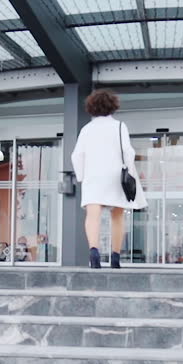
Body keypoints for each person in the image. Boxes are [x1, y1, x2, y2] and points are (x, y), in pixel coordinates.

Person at [71, 89, 148, 269]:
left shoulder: (86, 129)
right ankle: (115, 256)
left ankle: (94, 252)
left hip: (93, 175)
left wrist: (82, 176)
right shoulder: (120, 126)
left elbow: (77, 155)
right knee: (118, 216)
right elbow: (128, 152)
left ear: (91, 107)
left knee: (93, 215)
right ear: (113, 106)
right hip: (115, 176)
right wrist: (127, 170)